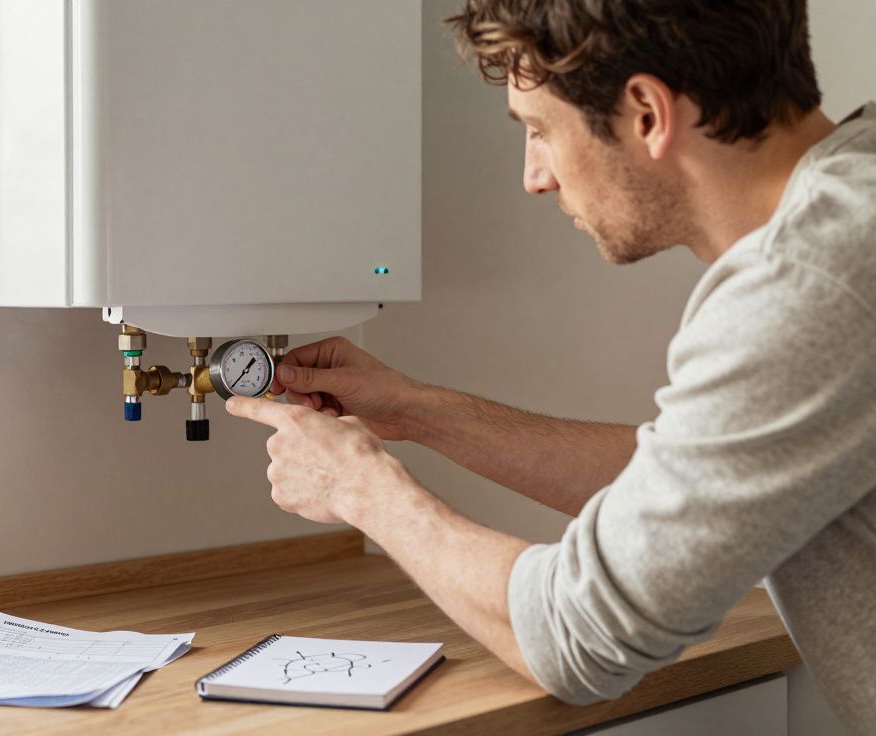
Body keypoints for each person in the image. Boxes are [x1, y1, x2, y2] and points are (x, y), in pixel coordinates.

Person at [223, 1, 876, 731]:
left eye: (539, 131)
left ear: (647, 113)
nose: (535, 177)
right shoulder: (858, 189)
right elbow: (703, 477)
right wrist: (414, 411)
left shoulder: (808, 282)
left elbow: (578, 638)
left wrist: (361, 487)